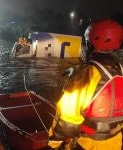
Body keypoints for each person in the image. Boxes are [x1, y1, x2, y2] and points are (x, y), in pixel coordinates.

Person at [48, 19, 123, 150]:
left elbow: (67, 120)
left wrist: (53, 144)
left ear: (89, 43)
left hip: (86, 145)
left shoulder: (83, 75)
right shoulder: (120, 70)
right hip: (115, 142)